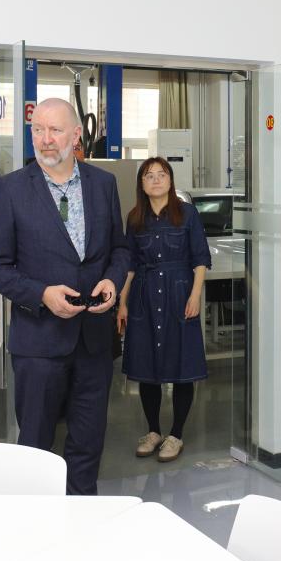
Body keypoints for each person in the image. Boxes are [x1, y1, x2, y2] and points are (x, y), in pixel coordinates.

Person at [0, 98, 131, 496]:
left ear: (77, 135)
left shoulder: (103, 185)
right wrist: (42, 294)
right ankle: (35, 523)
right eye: (38, 130)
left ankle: (82, 520)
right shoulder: (12, 189)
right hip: (39, 344)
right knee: (35, 447)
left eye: (55, 130)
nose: (45, 139)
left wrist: (112, 281)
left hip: (94, 342)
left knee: (88, 444)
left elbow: (120, 250)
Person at [115, 157, 212, 463]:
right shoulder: (135, 219)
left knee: (182, 366)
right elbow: (130, 265)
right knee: (147, 367)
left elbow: (200, 258)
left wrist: (195, 295)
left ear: (170, 181)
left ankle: (176, 435)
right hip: (144, 296)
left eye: (161, 174)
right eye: (149, 176)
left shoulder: (187, 214)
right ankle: (154, 431)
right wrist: (122, 302)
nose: (156, 180)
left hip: (179, 294)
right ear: (141, 184)